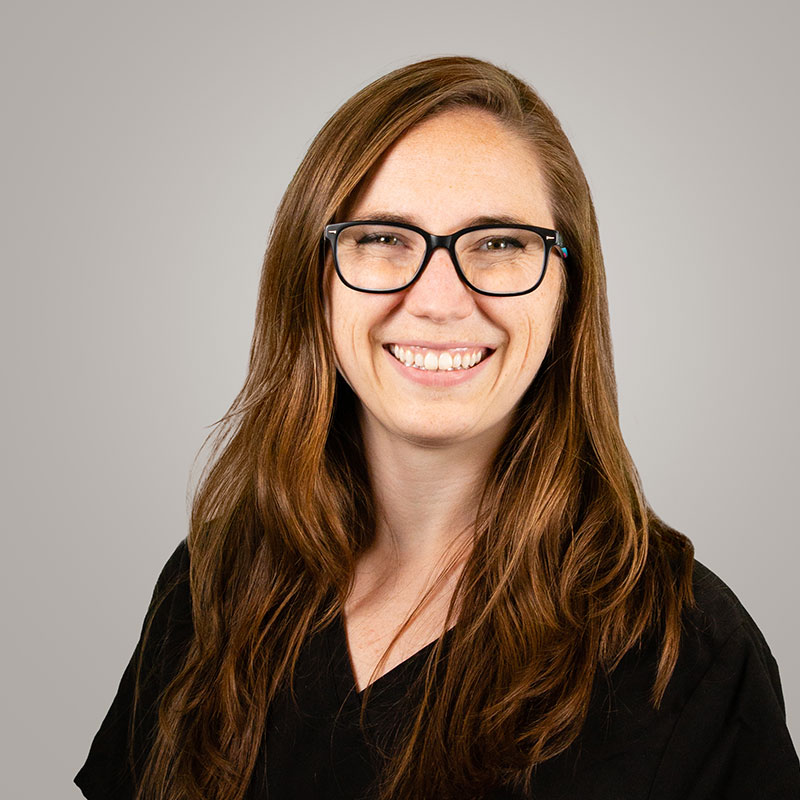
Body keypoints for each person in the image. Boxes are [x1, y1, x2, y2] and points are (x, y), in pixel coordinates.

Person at [74, 56, 800, 800]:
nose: (439, 299)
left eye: (498, 243)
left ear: (566, 290)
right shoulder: (217, 578)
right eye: (384, 238)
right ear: (313, 277)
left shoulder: (687, 652)